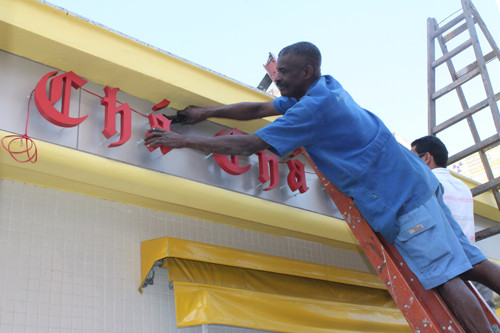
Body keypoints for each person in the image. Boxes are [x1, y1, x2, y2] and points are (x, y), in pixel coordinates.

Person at [144, 41, 500, 332]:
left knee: (442, 275)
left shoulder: (310, 111)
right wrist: (207, 113)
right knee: (472, 263)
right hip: (416, 182)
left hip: (400, 196)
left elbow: (250, 144)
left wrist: (182, 141)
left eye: (283, 72)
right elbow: (259, 107)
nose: (277, 77)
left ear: (306, 71)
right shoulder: (326, 88)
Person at [411, 135, 496, 312]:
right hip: (475, 261)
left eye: (413, 157)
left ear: (426, 157)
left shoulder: (429, 183)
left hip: (452, 268)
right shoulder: (462, 186)